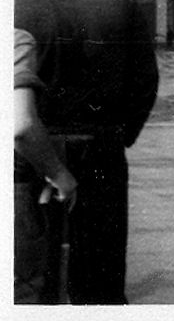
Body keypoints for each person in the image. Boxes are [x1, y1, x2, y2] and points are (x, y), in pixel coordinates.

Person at [14, 0, 160, 304]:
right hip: (102, 159)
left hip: (26, 168)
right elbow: (144, 85)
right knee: (101, 290)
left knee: (28, 291)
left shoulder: (14, 3)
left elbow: (17, 121)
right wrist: (110, 140)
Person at [14, 27, 78, 304]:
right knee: (25, 296)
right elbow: (21, 125)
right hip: (14, 191)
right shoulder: (15, 39)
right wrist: (60, 174)